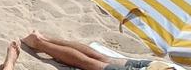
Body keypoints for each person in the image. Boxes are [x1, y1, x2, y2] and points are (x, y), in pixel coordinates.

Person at [21, 32, 166, 70]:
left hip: (160, 67)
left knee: (100, 57)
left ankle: (44, 39)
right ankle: (39, 43)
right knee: (88, 64)